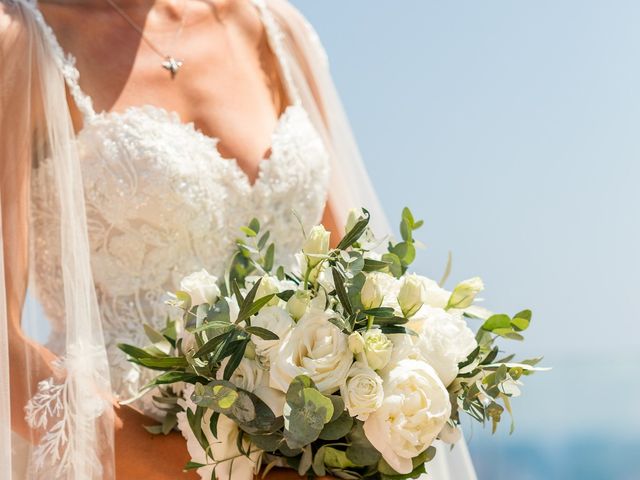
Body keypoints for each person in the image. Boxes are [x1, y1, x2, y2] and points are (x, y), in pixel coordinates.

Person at [0, 0, 476, 478]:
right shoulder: (20, 36)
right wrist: (204, 469)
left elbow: (346, 268)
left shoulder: (276, 28)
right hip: (121, 458)